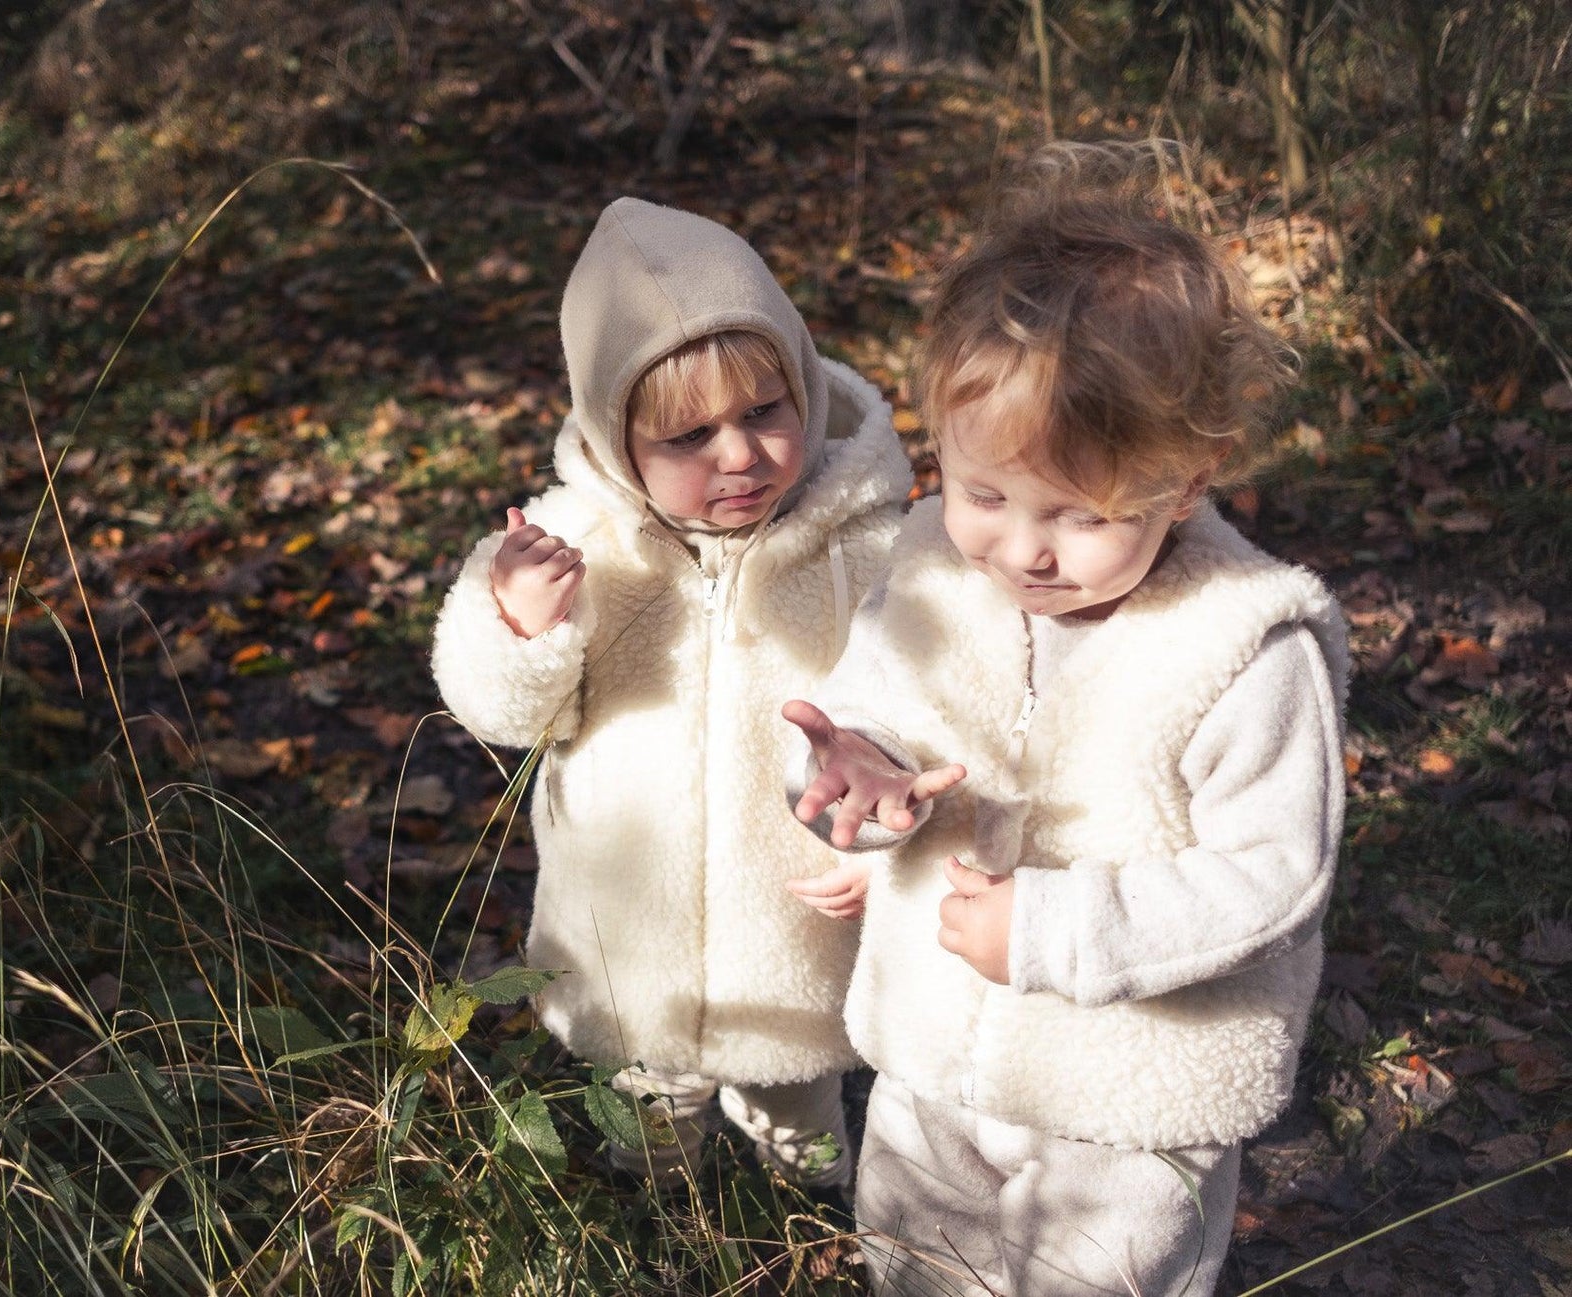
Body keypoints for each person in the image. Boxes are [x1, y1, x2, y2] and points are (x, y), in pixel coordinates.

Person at [783, 143, 1349, 1294]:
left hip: (1130, 1097)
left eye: (1083, 515)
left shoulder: (1242, 646)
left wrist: (1054, 934)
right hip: (932, 1056)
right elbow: (879, 703)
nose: (1024, 550)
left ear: (1186, 479)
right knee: (911, 1261)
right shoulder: (937, 568)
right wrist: (865, 777)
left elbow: (1272, 872)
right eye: (984, 493)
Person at [431, 196, 930, 1188]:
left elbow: (929, 698)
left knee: (803, 1112)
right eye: (687, 436)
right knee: (648, 1108)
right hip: (632, 928)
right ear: (619, 443)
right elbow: (505, 716)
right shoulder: (572, 549)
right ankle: (655, 1212)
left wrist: (889, 833)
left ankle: (808, 1207)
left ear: (803, 387)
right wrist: (522, 627)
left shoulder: (868, 541)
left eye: (762, 412)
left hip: (797, 927)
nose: (737, 455)